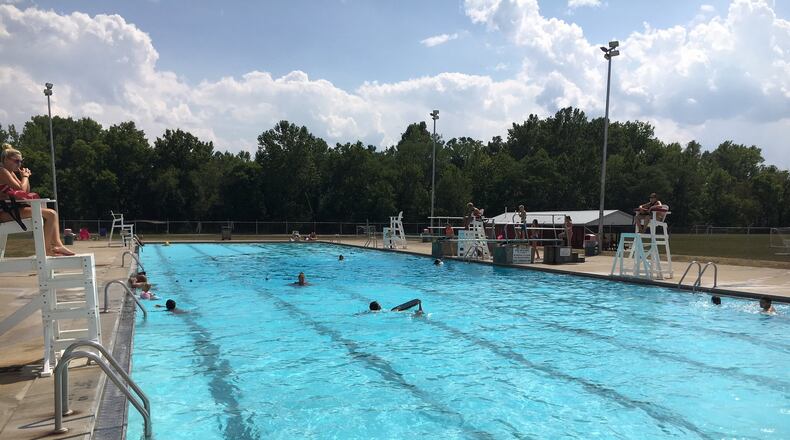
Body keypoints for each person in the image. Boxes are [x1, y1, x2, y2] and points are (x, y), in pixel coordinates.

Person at [0, 144, 74, 256]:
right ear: (5, 159)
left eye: (21, 161)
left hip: (10, 209)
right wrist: (25, 177)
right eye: (16, 161)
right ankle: (49, 249)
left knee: (51, 214)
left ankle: (56, 245)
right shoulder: (2, 171)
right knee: (51, 214)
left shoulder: (9, 172)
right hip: (4, 212)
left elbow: (25, 191)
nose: (19, 164)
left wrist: (24, 177)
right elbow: (21, 189)